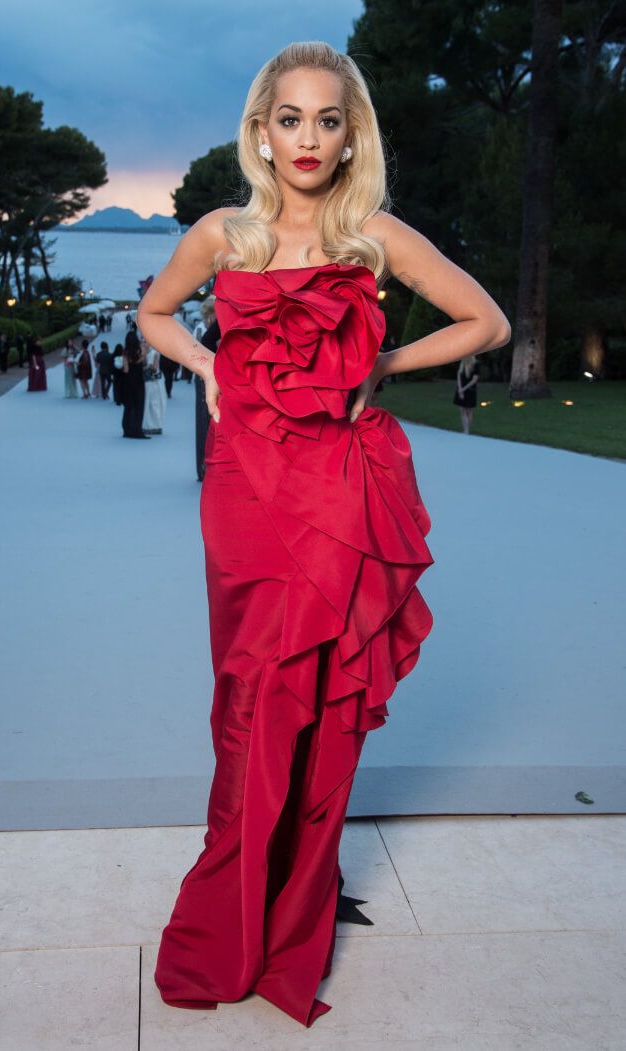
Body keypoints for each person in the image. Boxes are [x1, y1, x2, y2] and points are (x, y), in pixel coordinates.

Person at [136, 42, 511, 1029]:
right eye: (290, 118)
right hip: (244, 489)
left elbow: (485, 322)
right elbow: (155, 313)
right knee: (251, 697)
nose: (308, 137)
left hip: (338, 486)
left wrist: (382, 363)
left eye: (328, 119)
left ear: (351, 137)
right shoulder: (223, 234)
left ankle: (295, 902)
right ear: (261, 132)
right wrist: (208, 369)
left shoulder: (372, 236)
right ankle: (230, 914)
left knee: (321, 702)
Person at [121, 329, 149, 438]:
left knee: (129, 406)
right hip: (139, 381)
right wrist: (142, 357)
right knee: (139, 405)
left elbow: (126, 370)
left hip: (128, 381)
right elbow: (145, 364)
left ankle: (127, 430)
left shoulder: (125, 352)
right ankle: (137, 430)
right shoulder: (140, 351)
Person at [141, 338, 166, 434]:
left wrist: (147, 367)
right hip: (146, 381)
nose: (144, 343)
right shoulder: (142, 353)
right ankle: (146, 425)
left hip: (155, 382)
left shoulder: (155, 353)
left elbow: (155, 368)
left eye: (145, 342)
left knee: (154, 404)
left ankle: (156, 425)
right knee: (146, 404)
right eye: (142, 342)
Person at [453, 353, 480, 433]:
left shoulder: (476, 364)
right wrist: (460, 389)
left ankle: (467, 429)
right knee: (462, 410)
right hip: (461, 389)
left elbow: (474, 380)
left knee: (469, 411)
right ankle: (465, 430)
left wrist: (462, 389)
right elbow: (459, 377)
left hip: (470, 390)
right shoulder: (462, 363)